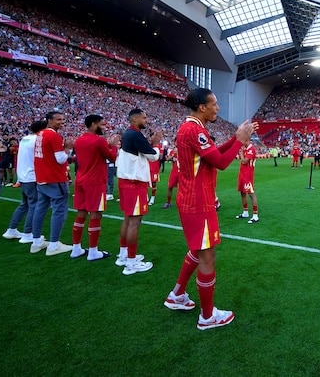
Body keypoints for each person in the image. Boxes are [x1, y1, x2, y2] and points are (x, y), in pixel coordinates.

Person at [163, 88, 255, 331]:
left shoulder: (192, 128)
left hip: (192, 201)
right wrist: (241, 141)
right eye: (214, 104)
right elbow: (223, 163)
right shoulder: (193, 129)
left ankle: (177, 294)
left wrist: (236, 139)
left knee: (196, 250)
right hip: (198, 203)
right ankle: (207, 316)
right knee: (207, 256)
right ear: (202, 107)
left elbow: (213, 155)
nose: (217, 108)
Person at [116, 108, 162, 274]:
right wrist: (156, 144)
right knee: (134, 222)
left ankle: (123, 255)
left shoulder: (128, 134)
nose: (146, 120)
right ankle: (131, 263)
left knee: (128, 220)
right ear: (135, 120)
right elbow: (153, 156)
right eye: (144, 117)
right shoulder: (135, 134)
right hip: (134, 184)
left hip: (125, 181)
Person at [70, 114, 120, 261]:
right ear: (93, 124)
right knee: (96, 214)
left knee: (81, 214)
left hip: (81, 180)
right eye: (102, 124)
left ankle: (76, 248)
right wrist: (113, 146)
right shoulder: (99, 141)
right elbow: (111, 157)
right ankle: (93, 252)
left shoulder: (79, 140)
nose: (104, 127)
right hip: (95, 182)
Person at [31, 111, 74, 256]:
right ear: (49, 121)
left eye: (63, 119)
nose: (62, 122)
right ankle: (54, 245)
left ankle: (36, 242)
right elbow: (61, 159)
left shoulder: (40, 134)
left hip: (42, 177)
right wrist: (68, 148)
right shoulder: (54, 135)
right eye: (58, 120)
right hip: (54, 178)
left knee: (40, 208)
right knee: (59, 210)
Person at [2, 120, 47, 242]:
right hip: (32, 176)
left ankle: (12, 229)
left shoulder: (25, 139)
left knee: (25, 204)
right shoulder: (37, 140)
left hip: (23, 175)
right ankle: (28, 233)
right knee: (34, 204)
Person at [235, 138, 259, 224]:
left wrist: (241, 154)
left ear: (247, 140)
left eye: (243, 141)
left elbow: (245, 161)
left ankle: (255, 216)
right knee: (242, 193)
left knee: (251, 194)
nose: (242, 143)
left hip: (248, 176)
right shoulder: (246, 149)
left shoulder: (251, 149)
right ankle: (245, 212)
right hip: (242, 175)